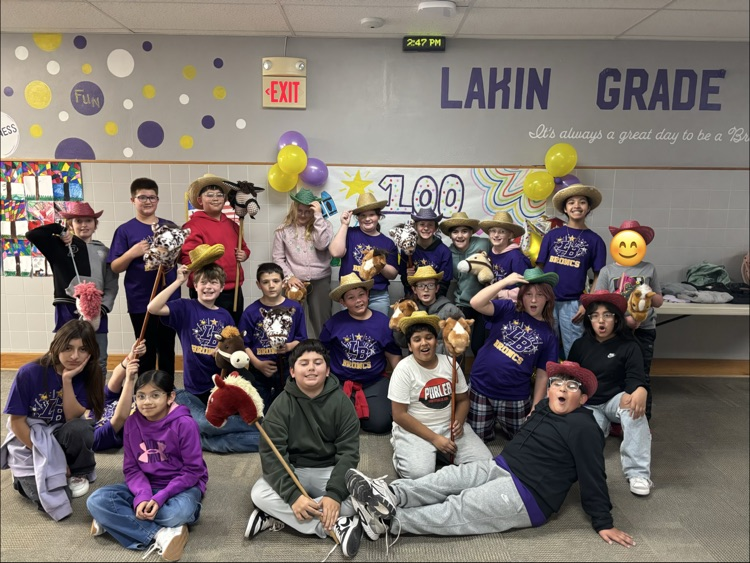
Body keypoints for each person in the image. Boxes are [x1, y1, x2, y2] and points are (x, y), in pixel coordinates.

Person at [344, 361, 636, 550]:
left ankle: (387, 521)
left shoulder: (585, 427)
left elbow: (593, 475)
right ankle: (389, 494)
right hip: (502, 466)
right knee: (446, 479)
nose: (562, 388)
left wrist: (603, 522)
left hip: (528, 496)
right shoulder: (545, 407)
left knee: (459, 507)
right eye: (557, 382)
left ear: (583, 399)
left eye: (572, 386)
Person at [246, 340, 363, 559]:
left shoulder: (342, 403)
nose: (311, 368)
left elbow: (349, 453)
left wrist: (334, 494)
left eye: (318, 363)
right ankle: (332, 525)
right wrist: (293, 496)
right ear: (292, 371)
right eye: (304, 363)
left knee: (362, 497)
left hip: (328, 470)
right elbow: (273, 455)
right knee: (258, 493)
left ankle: (278, 516)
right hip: (294, 470)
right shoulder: (280, 405)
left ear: (327, 370)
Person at [86, 370, 208, 562]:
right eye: (141, 396)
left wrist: (161, 496)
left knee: (176, 513)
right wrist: (143, 496)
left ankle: (115, 520)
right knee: (96, 500)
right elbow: (132, 469)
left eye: (155, 395)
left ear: (170, 397)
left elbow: (193, 471)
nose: (147, 402)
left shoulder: (185, 424)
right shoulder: (131, 422)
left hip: (181, 486)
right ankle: (161, 534)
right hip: (145, 484)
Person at [1, 320, 102, 519]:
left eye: (82, 349)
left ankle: (78, 470)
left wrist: (67, 380)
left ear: (91, 352)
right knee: (58, 498)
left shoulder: (89, 374)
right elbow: (17, 422)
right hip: (30, 440)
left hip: (59, 434)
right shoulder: (29, 373)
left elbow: (72, 418)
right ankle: (20, 477)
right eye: (68, 348)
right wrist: (49, 458)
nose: (75, 356)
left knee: (81, 428)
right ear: (57, 346)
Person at [568, 290, 654, 496]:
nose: (601, 321)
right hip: (589, 403)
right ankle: (605, 427)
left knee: (634, 408)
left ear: (616, 318)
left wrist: (640, 389)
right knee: (586, 437)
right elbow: (571, 377)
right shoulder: (580, 345)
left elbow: (635, 376)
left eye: (607, 315)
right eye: (595, 316)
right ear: (589, 320)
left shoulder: (629, 345)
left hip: (616, 399)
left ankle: (638, 473)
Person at [389, 313, 492, 479]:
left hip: (447, 426)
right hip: (415, 429)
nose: (424, 343)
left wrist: (459, 421)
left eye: (429, 337)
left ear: (436, 342)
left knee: (486, 465)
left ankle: (439, 456)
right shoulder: (403, 369)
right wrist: (435, 438)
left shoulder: (451, 363)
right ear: (409, 346)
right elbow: (399, 415)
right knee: (418, 475)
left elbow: (463, 400)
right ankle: (403, 448)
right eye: (417, 339)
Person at [26, 202, 119, 376]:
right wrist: (59, 230)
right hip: (67, 307)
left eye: (88, 221)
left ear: (95, 224)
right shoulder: (58, 245)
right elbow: (33, 234)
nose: (84, 225)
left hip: (96, 310)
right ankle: (65, 390)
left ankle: (96, 393)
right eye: (78, 221)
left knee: (98, 359)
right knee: (63, 357)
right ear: (70, 224)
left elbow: (111, 284)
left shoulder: (105, 252)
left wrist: (102, 308)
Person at [468, 268, 559, 440]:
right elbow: (476, 302)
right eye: (528, 294)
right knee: (477, 440)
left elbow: (543, 374)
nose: (533, 300)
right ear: (521, 296)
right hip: (481, 387)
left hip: (514, 395)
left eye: (539, 295)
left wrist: (536, 407)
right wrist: (504, 282)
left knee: (524, 439)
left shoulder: (549, 334)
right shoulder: (509, 308)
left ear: (547, 298)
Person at [593, 220, 663, 420]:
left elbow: (659, 301)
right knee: (616, 373)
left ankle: (642, 419)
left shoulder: (649, 268)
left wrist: (648, 294)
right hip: (616, 331)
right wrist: (625, 321)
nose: (628, 247)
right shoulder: (607, 271)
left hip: (645, 330)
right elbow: (600, 302)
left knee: (641, 375)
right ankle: (618, 416)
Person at [108, 177, 178, 376]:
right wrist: (132, 253)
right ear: (133, 200)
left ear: (157, 200)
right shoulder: (125, 230)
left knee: (167, 348)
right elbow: (115, 267)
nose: (148, 201)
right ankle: (144, 388)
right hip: (140, 299)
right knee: (144, 348)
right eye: (142, 197)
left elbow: (182, 256)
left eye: (152, 197)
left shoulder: (170, 227)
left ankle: (166, 388)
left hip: (169, 298)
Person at [319, 273, 402, 434]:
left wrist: (400, 384)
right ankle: (349, 416)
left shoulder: (383, 322)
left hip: (374, 381)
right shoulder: (334, 323)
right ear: (342, 302)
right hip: (341, 382)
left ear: (368, 294)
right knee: (331, 424)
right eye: (351, 297)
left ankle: (358, 415)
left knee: (381, 424)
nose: (358, 301)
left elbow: (393, 355)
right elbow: (321, 352)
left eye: (361, 295)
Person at [536, 183, 606, 359]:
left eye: (582, 202)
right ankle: (546, 377)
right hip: (547, 300)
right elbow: (539, 269)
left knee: (573, 349)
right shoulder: (551, 236)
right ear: (565, 209)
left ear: (588, 208)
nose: (577, 206)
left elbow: (599, 275)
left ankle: (572, 376)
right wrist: (537, 298)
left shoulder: (596, 241)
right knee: (545, 346)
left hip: (574, 304)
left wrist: (587, 304)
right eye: (571, 202)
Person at [147, 262, 234, 405]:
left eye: (213, 282)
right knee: (198, 416)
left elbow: (232, 343)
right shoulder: (185, 307)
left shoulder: (225, 315)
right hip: (193, 386)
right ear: (195, 285)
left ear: (222, 287)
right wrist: (178, 281)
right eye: (203, 282)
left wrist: (222, 347)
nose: (208, 287)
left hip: (219, 383)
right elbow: (153, 308)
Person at [181, 174, 250, 324]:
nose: (216, 198)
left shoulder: (233, 225)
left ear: (225, 200)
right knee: (209, 330)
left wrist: (244, 254)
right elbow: (187, 257)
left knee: (233, 330)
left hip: (233, 289)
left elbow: (244, 248)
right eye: (210, 195)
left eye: (220, 195)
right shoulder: (192, 226)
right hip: (207, 289)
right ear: (200, 200)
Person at [238, 262, 307, 408]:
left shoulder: (295, 308)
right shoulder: (251, 312)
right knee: (261, 409)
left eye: (275, 281)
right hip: (259, 368)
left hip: (287, 367)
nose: (271, 286)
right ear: (258, 285)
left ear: (283, 283)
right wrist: (257, 364)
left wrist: (289, 346)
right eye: (265, 282)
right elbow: (244, 344)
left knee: (286, 407)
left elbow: (301, 339)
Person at [272, 188, 333, 339]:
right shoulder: (283, 230)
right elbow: (278, 258)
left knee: (322, 321)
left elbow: (322, 245)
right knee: (290, 320)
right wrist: (289, 277)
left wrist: (318, 217)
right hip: (294, 282)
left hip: (320, 280)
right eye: (300, 211)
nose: (303, 215)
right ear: (294, 209)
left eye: (308, 212)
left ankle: (324, 350)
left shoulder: (324, 225)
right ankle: (291, 350)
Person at [329, 192, 398, 317]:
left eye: (371, 214)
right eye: (363, 215)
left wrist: (378, 262)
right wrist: (344, 224)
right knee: (350, 328)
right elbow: (335, 252)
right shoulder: (350, 233)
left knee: (378, 328)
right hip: (350, 293)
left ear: (378, 216)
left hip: (378, 295)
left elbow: (392, 275)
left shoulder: (388, 243)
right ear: (358, 218)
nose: (367, 219)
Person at [440, 211, 490, 357]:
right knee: (457, 343)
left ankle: (480, 371)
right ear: (450, 235)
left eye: (464, 231)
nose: (460, 236)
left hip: (485, 302)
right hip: (463, 303)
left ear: (471, 233)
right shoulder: (448, 253)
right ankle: (457, 371)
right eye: (455, 232)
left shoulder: (484, 244)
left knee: (478, 345)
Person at [392, 266, 463, 356]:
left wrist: (435, 355)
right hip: (418, 361)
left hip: (444, 361)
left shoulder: (451, 311)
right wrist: (398, 328)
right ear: (414, 289)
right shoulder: (410, 311)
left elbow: (460, 344)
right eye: (420, 286)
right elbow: (402, 343)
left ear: (437, 288)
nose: (426, 289)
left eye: (430, 285)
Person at [92, 339, 145, 452]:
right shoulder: (94, 438)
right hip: (156, 416)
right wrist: (129, 379)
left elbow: (114, 381)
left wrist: (132, 354)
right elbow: (120, 418)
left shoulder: (93, 411)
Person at [399, 208, 453, 298]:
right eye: (422, 224)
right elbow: (403, 279)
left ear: (435, 228)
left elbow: (444, 283)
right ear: (415, 227)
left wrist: (431, 300)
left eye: (430, 225)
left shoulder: (444, 251)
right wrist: (408, 277)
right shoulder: (407, 249)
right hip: (413, 297)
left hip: (436, 299)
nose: (426, 228)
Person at [477, 211, 530, 299]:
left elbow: (525, 286)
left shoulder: (516, 257)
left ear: (510, 235)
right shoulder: (490, 252)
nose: (496, 235)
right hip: (492, 299)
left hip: (511, 302)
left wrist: (500, 294)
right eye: (493, 231)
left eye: (502, 232)